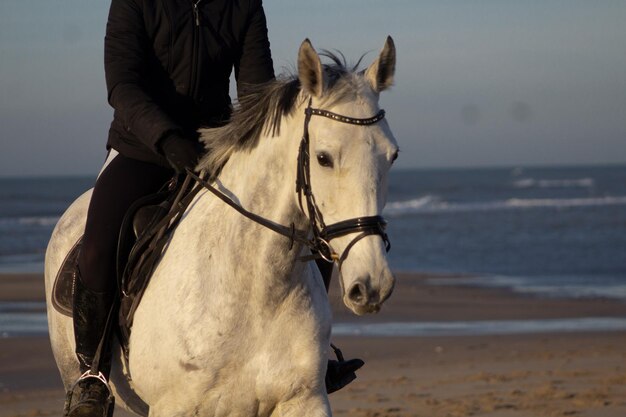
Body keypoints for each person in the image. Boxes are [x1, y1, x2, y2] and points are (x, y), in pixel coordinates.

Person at [66, 1, 361, 416]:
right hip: (142, 147)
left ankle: (311, 354)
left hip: (218, 144)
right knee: (96, 247)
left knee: (307, 225)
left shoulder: (243, 6)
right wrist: (167, 138)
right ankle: (92, 374)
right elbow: (123, 85)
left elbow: (256, 89)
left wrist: (246, 141)